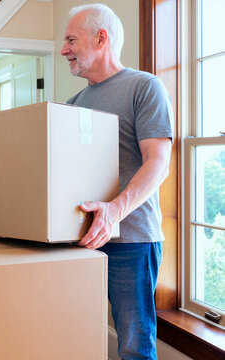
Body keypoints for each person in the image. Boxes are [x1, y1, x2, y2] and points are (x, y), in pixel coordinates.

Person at [61, 4, 173, 360]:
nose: (64, 50)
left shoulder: (144, 86)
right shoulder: (74, 103)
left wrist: (114, 211)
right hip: (83, 240)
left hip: (133, 241)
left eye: (70, 40)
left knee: (133, 346)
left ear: (101, 38)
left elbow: (159, 163)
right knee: (78, 337)